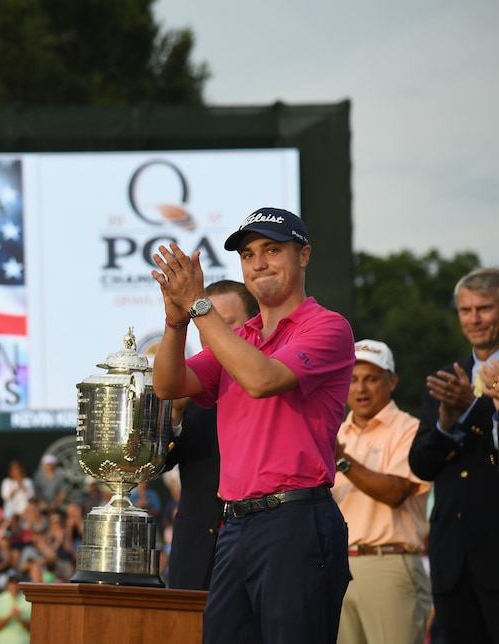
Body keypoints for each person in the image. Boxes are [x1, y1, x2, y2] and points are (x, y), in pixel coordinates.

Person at [151, 207, 354, 643]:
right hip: (236, 525)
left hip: (295, 519)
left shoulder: (328, 327)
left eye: (272, 250)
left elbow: (262, 379)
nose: (258, 262)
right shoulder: (240, 339)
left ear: (304, 256)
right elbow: (169, 385)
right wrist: (175, 320)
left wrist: (200, 305)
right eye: (248, 254)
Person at [408, 266, 499, 642]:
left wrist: (472, 411)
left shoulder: (458, 388)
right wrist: (446, 424)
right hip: (452, 561)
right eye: (465, 310)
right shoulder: (448, 378)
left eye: (485, 308)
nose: (474, 319)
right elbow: (421, 466)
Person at [333, 339, 432, 643]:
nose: (361, 389)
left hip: (388, 563)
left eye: (372, 379)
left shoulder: (411, 429)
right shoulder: (333, 430)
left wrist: (341, 459)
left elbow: (396, 492)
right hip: (335, 567)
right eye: (352, 379)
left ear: (393, 381)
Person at [164, 279, 259, 591]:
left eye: (227, 324)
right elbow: (159, 463)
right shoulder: (187, 388)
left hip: (258, 550)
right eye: (206, 325)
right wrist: (175, 414)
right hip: (195, 554)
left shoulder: (271, 382)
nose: (216, 335)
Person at [0, 570, 31, 644]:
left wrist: (19, 618)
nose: (14, 586)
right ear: (7, 584)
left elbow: (33, 627)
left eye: (16, 583)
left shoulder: (27, 600)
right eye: (11, 583)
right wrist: (10, 616)